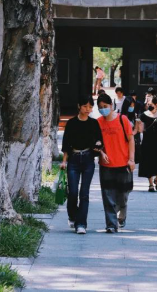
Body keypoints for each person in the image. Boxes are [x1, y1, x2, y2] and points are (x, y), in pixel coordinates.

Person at [61, 95, 107, 234]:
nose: (88, 109)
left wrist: (100, 150)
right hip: (73, 160)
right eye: (85, 106)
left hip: (88, 160)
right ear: (79, 106)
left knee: (84, 193)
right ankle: (72, 215)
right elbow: (66, 144)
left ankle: (81, 224)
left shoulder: (93, 123)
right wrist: (64, 161)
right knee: (73, 192)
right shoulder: (71, 123)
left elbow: (99, 141)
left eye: (90, 107)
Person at [96, 90, 135, 232]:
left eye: (105, 105)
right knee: (107, 196)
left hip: (123, 163)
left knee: (123, 195)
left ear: (111, 105)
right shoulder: (98, 123)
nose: (103, 109)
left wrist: (131, 160)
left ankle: (121, 216)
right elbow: (96, 143)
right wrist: (100, 152)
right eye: (100, 107)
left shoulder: (122, 119)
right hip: (106, 165)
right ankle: (111, 225)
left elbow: (131, 140)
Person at [137, 96, 157, 192]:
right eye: (148, 104)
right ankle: (150, 184)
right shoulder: (143, 115)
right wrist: (138, 124)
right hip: (147, 141)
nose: (149, 106)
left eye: (151, 104)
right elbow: (140, 130)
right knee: (148, 161)